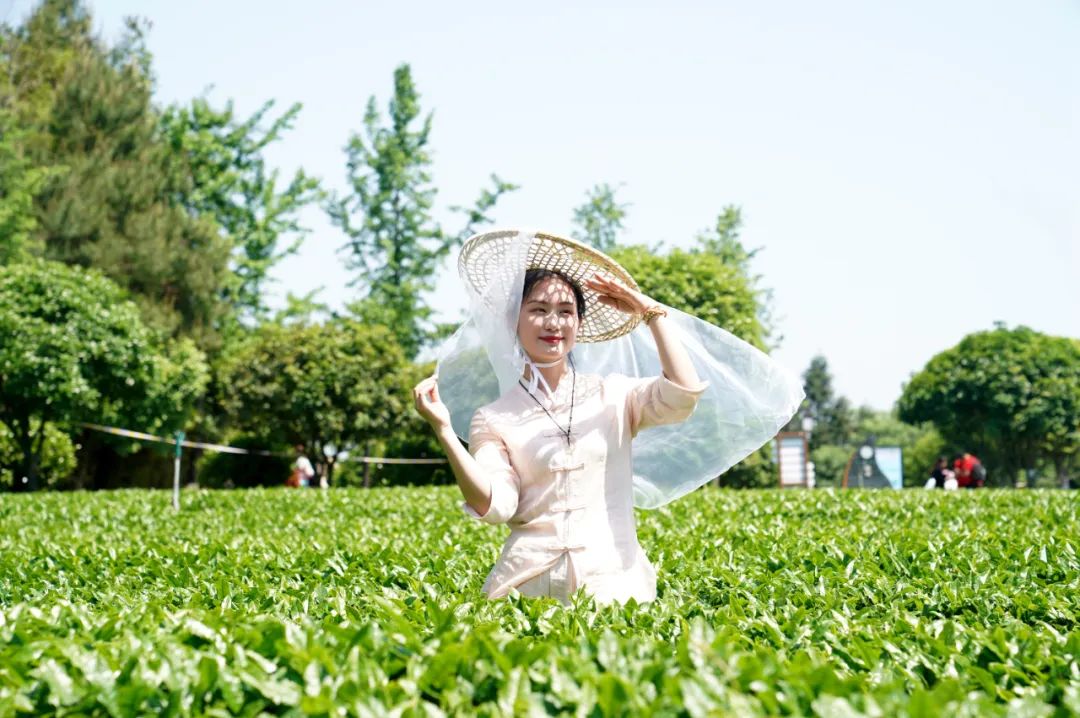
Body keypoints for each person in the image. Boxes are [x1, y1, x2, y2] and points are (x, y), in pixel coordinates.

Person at [413, 230, 802, 606]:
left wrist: (652, 314)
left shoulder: (614, 395)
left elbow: (682, 395)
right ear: (513, 322)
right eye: (538, 310)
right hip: (526, 588)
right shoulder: (494, 418)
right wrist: (443, 430)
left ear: (579, 325)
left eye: (566, 312)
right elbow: (497, 505)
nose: (553, 323)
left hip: (614, 585)